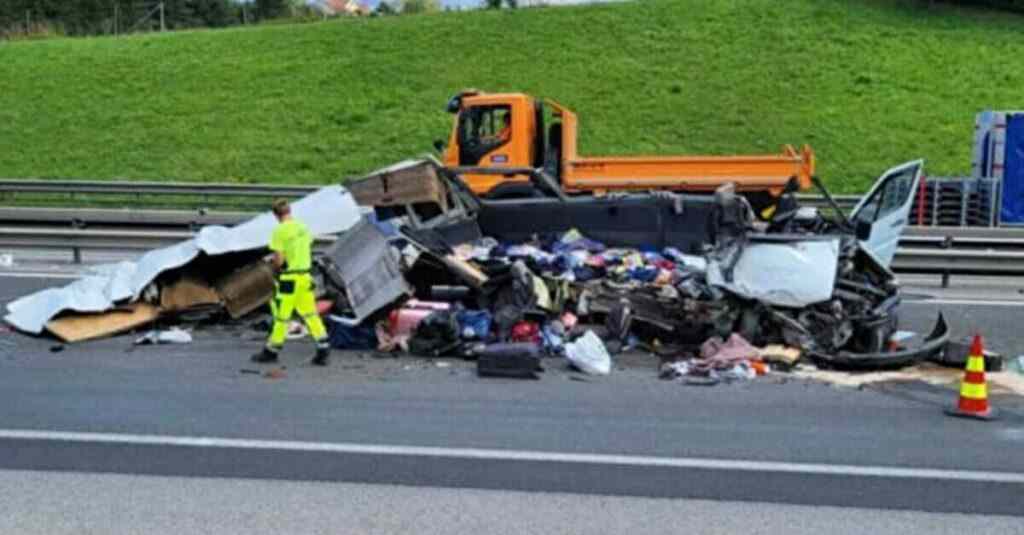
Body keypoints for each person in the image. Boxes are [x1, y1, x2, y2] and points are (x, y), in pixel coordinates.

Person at [250, 199, 331, 366]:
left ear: (275, 215)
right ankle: (323, 348)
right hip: (305, 277)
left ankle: (271, 351)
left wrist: (273, 263)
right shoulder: (303, 227)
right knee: (310, 314)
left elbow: (279, 260)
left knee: (281, 316)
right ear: (289, 211)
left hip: (289, 279)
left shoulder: (279, 231)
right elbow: (304, 246)